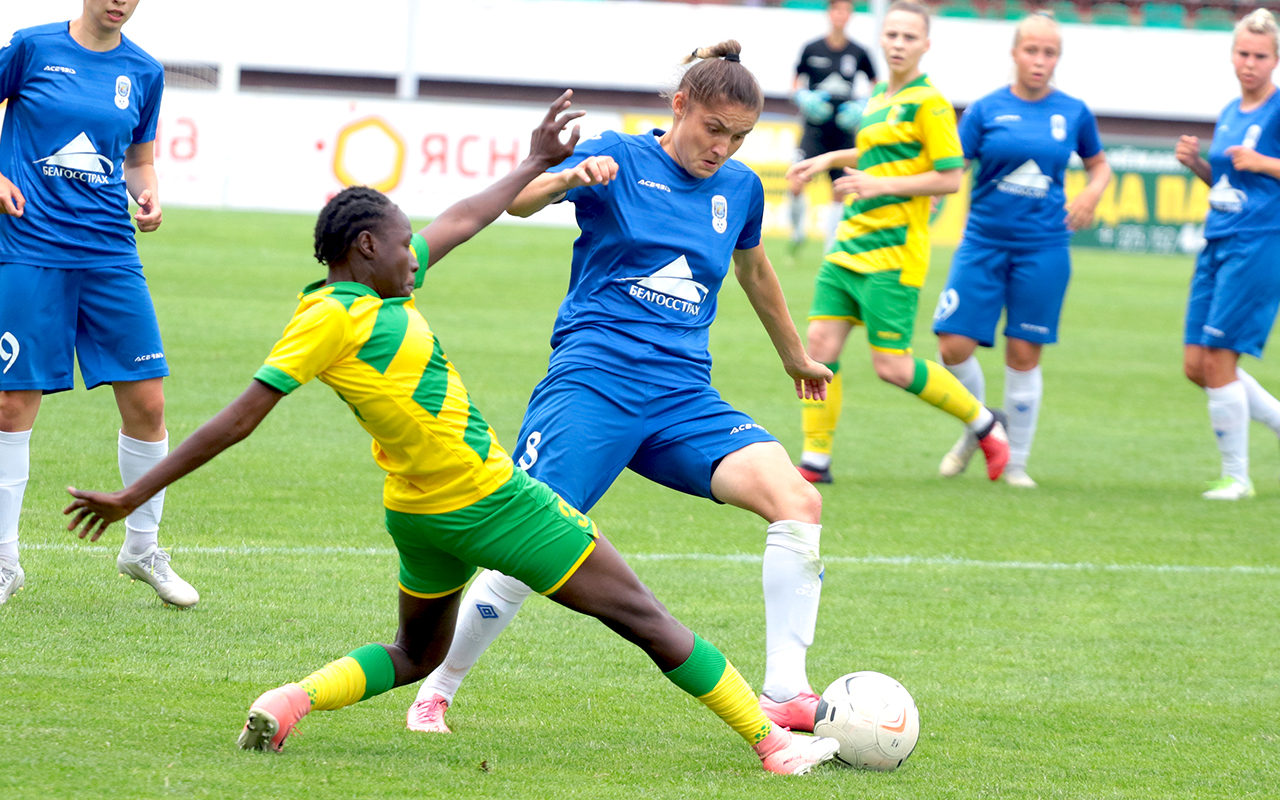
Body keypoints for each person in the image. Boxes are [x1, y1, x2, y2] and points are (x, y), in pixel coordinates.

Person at [62, 94, 840, 776]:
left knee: (412, 654)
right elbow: (237, 419)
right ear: (366, 248)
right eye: (405, 243)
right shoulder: (340, 321)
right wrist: (135, 494)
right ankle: (774, 744)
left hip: (416, 512)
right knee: (649, 621)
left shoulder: (347, 301)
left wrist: (536, 160)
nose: (417, 254)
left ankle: (290, 699)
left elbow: (466, 217)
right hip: (490, 500)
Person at [405, 41, 836, 737]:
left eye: (739, 137)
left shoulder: (740, 188)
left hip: (683, 397)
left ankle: (786, 691)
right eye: (714, 130)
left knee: (798, 499)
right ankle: (438, 686)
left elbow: (755, 271)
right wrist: (571, 176)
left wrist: (796, 359)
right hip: (594, 381)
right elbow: (520, 202)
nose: (723, 149)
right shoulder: (620, 156)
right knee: (533, 535)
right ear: (680, 107)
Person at [0, 0, 195, 607]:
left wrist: (149, 196)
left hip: (110, 253)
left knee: (148, 402)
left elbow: (140, 161)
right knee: (10, 405)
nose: (120, 2)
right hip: (29, 247)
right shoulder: (31, 47)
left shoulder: (144, 71)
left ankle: (142, 549)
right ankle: (4, 561)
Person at [787, 1, 1009, 486]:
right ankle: (815, 460)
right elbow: (874, 150)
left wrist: (879, 184)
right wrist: (826, 160)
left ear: (925, 44)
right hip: (849, 244)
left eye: (909, 36)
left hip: (893, 252)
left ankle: (985, 424)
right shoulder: (880, 97)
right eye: (892, 35)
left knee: (892, 366)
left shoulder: (930, 103)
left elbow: (950, 177)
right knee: (818, 348)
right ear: (881, 39)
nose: (899, 44)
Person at [931, 13, 1111, 488]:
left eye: (1049, 52)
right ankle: (982, 425)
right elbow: (952, 167)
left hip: (1043, 248)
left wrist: (1092, 192)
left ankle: (1016, 464)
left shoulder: (1073, 112)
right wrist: (929, 200)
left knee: (1024, 354)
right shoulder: (986, 110)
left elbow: (1100, 166)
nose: (1039, 60)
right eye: (1031, 50)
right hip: (982, 243)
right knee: (952, 346)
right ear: (1014, 53)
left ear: (1058, 58)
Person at [1176, 8, 1280, 500]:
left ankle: (1237, 477)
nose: (1250, 63)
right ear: (1232, 56)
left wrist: (1264, 162)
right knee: (1196, 365)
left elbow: (1258, 170)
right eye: (1243, 53)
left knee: (1219, 358)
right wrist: (1198, 164)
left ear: (1274, 60)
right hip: (1218, 239)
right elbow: (1226, 185)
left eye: (1260, 56)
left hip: (1258, 241)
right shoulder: (1231, 111)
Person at [788, 0, 878, 253]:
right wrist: (802, 97)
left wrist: (863, 105)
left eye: (846, 10)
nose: (841, 15)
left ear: (850, 15)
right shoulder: (812, 48)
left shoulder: (858, 52)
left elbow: (876, 84)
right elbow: (795, 81)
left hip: (843, 130)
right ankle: (797, 231)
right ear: (829, 13)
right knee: (796, 181)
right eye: (837, 10)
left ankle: (831, 247)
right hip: (814, 128)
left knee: (840, 189)